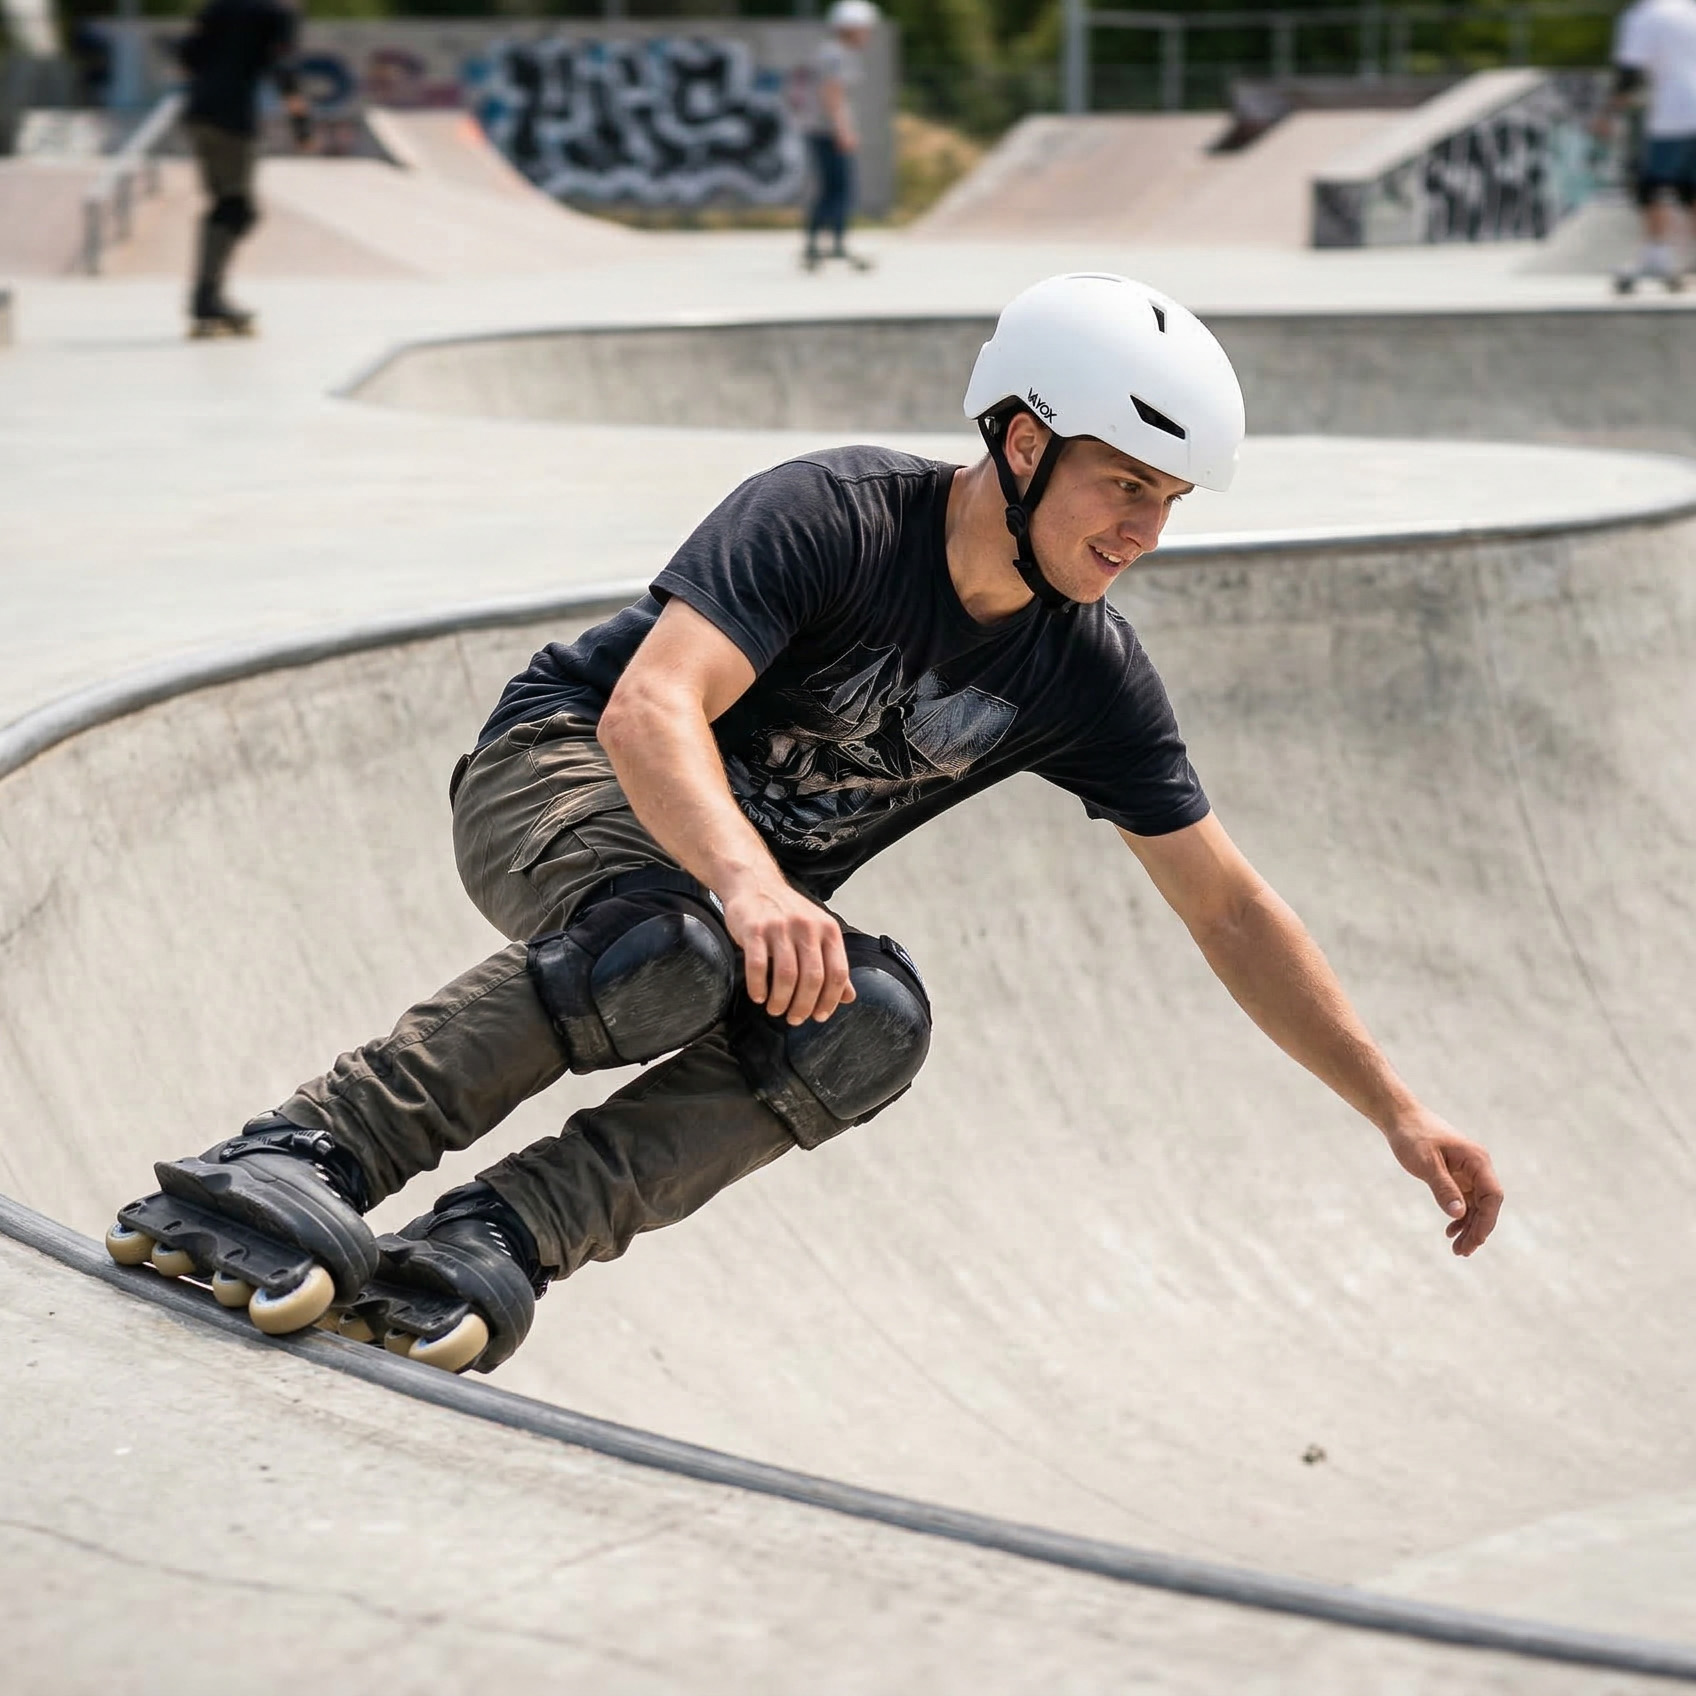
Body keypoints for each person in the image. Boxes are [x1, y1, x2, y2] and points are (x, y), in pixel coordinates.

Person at [107, 275, 1506, 1374]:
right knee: (671, 942)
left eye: (1169, 501)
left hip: (728, 890)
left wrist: (1394, 1106)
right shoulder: (834, 515)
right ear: (1022, 443)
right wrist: (750, 881)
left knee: (866, 1023)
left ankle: (497, 1237)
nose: (1145, 528)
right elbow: (652, 711)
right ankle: (302, 1151)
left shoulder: (1087, 670)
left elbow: (1229, 908)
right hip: (556, 778)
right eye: (1124, 484)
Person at [175, 0, 315, 336]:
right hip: (233, 120)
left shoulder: (217, 8)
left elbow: (186, 57)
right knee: (237, 208)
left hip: (198, 114)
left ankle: (207, 295)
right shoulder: (279, 13)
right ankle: (206, 297)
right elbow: (284, 70)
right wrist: (301, 122)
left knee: (225, 204)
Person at [1604, 0, 1696, 292]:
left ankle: (1657, 255)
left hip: (1673, 114)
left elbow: (1629, 74)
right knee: (1689, 188)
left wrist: (1608, 115)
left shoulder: (1643, 17)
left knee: (1651, 186)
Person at [796, 0, 878, 272]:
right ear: (851, 28)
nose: (867, 35)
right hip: (828, 132)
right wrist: (843, 130)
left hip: (819, 129)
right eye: (864, 29)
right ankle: (831, 244)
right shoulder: (838, 54)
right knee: (841, 188)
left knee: (830, 187)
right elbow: (832, 93)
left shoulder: (829, 51)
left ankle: (817, 244)